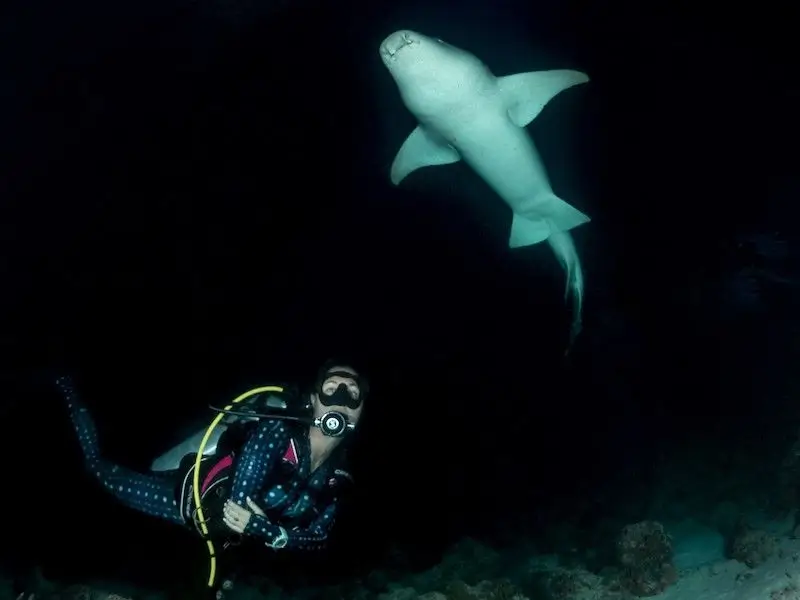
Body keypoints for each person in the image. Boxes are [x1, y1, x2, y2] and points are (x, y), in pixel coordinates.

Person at [55, 360, 366, 575]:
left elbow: (318, 538)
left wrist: (272, 533)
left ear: (361, 410)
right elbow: (234, 510)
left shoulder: (338, 477)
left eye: (353, 393)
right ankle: (66, 385)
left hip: (235, 550)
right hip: (187, 500)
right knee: (100, 471)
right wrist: (273, 533)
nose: (341, 399)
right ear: (314, 399)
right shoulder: (277, 432)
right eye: (331, 387)